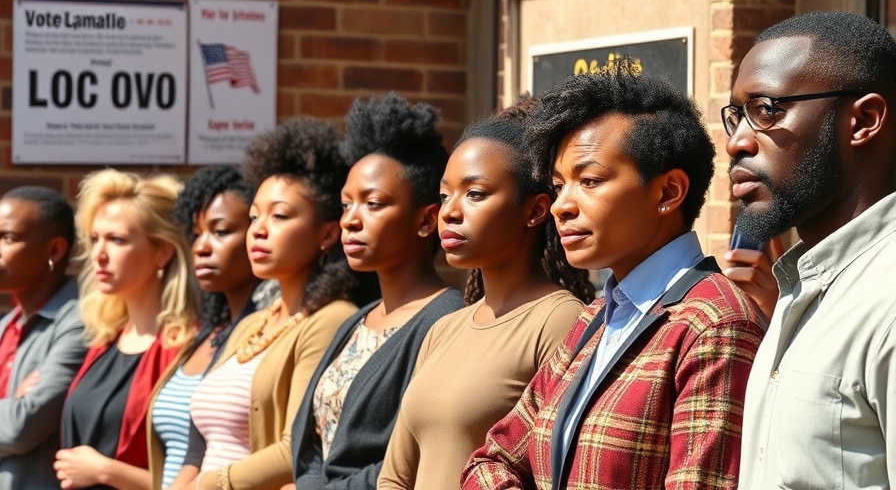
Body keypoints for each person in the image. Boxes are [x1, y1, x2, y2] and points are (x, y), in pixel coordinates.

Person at [461, 59, 767, 489]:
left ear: (667, 192)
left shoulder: (714, 325)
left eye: (589, 180)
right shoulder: (597, 316)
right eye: (558, 184)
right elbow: (492, 459)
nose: (561, 205)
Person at [378, 96, 594, 490]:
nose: (450, 212)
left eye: (475, 193)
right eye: (445, 196)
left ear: (535, 210)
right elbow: (394, 476)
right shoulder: (444, 330)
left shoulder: (560, 320)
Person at [723, 11, 896, 489]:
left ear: (863, 120)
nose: (737, 141)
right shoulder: (798, 284)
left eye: (766, 110)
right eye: (736, 115)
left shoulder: (887, 301)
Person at [287, 93, 465, 490]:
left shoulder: (447, 321)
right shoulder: (356, 319)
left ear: (426, 220)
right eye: (347, 204)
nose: (350, 220)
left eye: (373, 203)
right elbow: (313, 445)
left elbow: (413, 458)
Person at [177, 119, 361, 490]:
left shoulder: (330, 320)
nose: (258, 230)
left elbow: (295, 448)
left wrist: (209, 485)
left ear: (327, 233)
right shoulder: (251, 324)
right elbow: (200, 444)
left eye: (279, 215)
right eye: (253, 216)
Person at [56, 170, 200, 489]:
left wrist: (107, 472)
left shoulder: (191, 349)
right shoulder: (103, 340)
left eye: (117, 240)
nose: (98, 255)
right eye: (95, 239)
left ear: (163, 251)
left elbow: (205, 476)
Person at [148, 166, 278, 489]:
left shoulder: (272, 334)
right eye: (196, 233)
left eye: (220, 232)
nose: (200, 247)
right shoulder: (208, 332)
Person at [0, 187, 85, 490]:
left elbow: (19, 427)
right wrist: (11, 405)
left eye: (8, 238)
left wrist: (15, 409)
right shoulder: (5, 326)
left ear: (55, 250)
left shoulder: (81, 322)